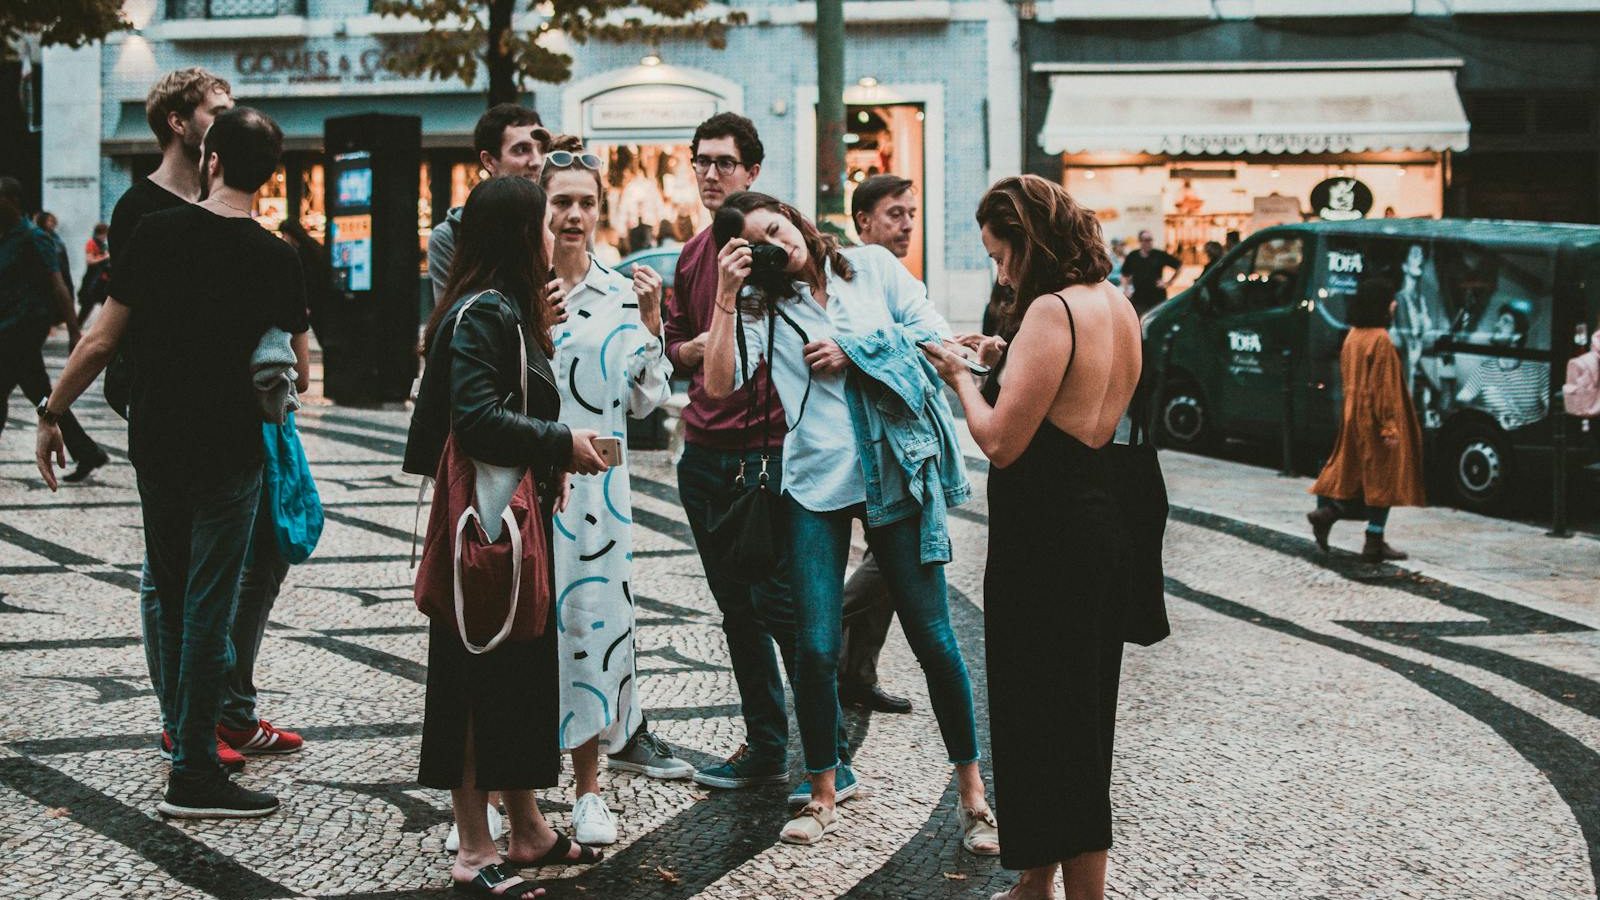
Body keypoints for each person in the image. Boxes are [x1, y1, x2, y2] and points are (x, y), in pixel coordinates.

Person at [704, 191, 997, 852]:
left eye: (777, 227)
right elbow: (721, 384)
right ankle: (823, 789)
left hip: (895, 474)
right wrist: (726, 296)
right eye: (762, 244)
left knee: (933, 638)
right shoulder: (760, 308)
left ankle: (974, 796)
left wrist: (852, 348)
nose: (780, 244)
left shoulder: (871, 269)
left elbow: (934, 340)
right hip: (815, 487)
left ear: (794, 217)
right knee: (813, 644)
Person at [36, 107, 305, 818]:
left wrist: (52, 411)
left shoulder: (155, 234)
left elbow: (97, 342)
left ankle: (187, 752)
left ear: (211, 160)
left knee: (175, 590)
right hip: (231, 450)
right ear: (268, 177)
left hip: (157, 441)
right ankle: (192, 771)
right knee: (210, 604)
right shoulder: (277, 257)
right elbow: (294, 366)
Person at [921, 174, 1141, 900]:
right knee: (1078, 717)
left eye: (1000, 255)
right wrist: (1001, 359)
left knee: (1039, 718)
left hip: (1046, 541)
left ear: (1029, 240)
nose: (1001, 271)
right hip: (1098, 524)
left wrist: (959, 376)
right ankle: (1037, 879)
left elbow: (1002, 441)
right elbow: (1072, 406)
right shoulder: (1116, 305)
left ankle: (1077, 892)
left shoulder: (1051, 310)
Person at [405, 175, 610, 897]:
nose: (558, 231)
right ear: (525, 234)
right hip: (484, 529)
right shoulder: (484, 313)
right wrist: (564, 442)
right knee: (472, 676)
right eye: (545, 220)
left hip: (512, 524)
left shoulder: (503, 311)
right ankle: (472, 847)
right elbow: (475, 418)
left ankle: (526, 830)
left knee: (518, 672)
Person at [540, 136, 685, 847]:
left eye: (584, 203)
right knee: (526, 635)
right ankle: (515, 793)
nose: (573, 215)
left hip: (601, 498)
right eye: (561, 201)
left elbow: (647, 401)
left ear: (600, 211)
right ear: (541, 206)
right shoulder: (519, 288)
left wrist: (653, 326)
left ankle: (590, 790)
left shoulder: (619, 291)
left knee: (594, 632)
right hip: (528, 489)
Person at [106, 67, 247, 772]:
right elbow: (122, 323)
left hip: (221, 417)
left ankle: (214, 711)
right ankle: (177, 719)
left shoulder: (218, 201)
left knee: (214, 575)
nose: (224, 121)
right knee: (168, 576)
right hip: (164, 413)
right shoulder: (140, 209)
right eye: (214, 111)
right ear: (178, 122)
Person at [665, 113, 806, 794]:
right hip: (703, 452)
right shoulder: (692, 256)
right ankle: (767, 746)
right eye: (702, 161)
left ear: (752, 172)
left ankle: (829, 752)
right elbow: (672, 341)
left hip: (768, 451)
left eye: (724, 162)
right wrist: (685, 349)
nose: (711, 173)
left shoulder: (777, 247)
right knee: (736, 608)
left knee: (779, 602)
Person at [829, 172, 927, 716]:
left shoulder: (896, 279)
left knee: (887, 561)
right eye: (895, 214)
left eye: (911, 213)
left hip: (892, 445)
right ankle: (821, 625)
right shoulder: (844, 278)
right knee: (897, 558)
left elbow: (922, 334)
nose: (907, 223)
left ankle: (857, 674)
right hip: (852, 446)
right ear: (863, 221)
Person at [1307, 277, 1425, 563]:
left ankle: (1329, 513)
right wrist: (1389, 425)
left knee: (1358, 474)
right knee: (1382, 478)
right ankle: (1374, 540)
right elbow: (1382, 387)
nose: (1395, 304)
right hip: (1375, 419)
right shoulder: (1380, 339)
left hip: (1354, 415)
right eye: (1390, 299)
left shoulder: (1353, 336)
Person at [0, 181, 106, 483]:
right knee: (44, 396)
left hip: (22, 331)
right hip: (9, 330)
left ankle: (88, 452)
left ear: (12, 201)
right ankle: (88, 452)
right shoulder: (5, 239)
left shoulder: (35, 238)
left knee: (32, 394)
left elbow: (58, 285)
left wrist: (74, 331)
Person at [428, 104, 550, 306]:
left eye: (542, 149)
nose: (536, 161)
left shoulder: (559, 221)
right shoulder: (452, 236)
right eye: (521, 150)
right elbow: (454, 322)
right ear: (489, 161)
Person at [1119, 229, 1181, 314]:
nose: (1149, 242)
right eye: (1146, 240)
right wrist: (1126, 289)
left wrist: (1168, 283)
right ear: (1140, 241)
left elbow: (1179, 266)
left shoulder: (1159, 254)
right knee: (1141, 323)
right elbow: (1124, 274)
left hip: (1157, 297)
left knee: (1157, 323)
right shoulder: (1133, 256)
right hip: (1139, 298)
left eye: (1151, 240)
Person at [78, 222, 111, 326]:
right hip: (93, 279)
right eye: (105, 234)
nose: (105, 237)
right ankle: (77, 326)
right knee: (88, 304)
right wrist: (105, 257)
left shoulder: (103, 245)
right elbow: (90, 260)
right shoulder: (91, 243)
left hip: (102, 279)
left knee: (106, 305)